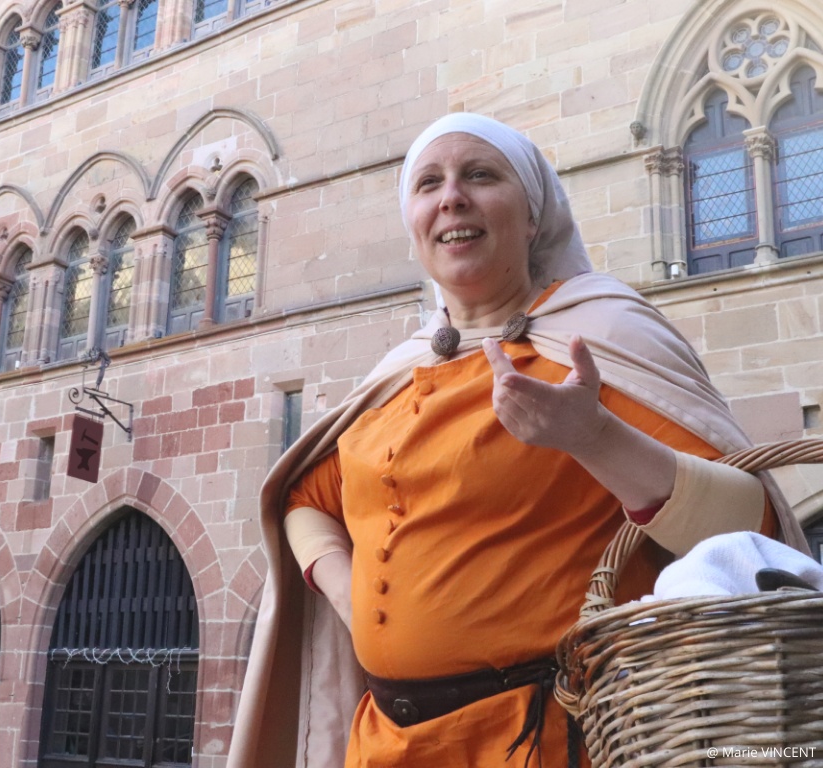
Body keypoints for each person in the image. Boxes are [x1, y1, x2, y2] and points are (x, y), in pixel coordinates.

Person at [225, 113, 809, 768]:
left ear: (533, 215)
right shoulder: (394, 374)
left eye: (480, 175)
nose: (452, 197)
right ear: (414, 225)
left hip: (545, 737)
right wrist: (345, 590)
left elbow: (748, 529)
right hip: (385, 742)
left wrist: (592, 436)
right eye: (428, 184)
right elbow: (305, 496)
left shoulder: (600, 336)